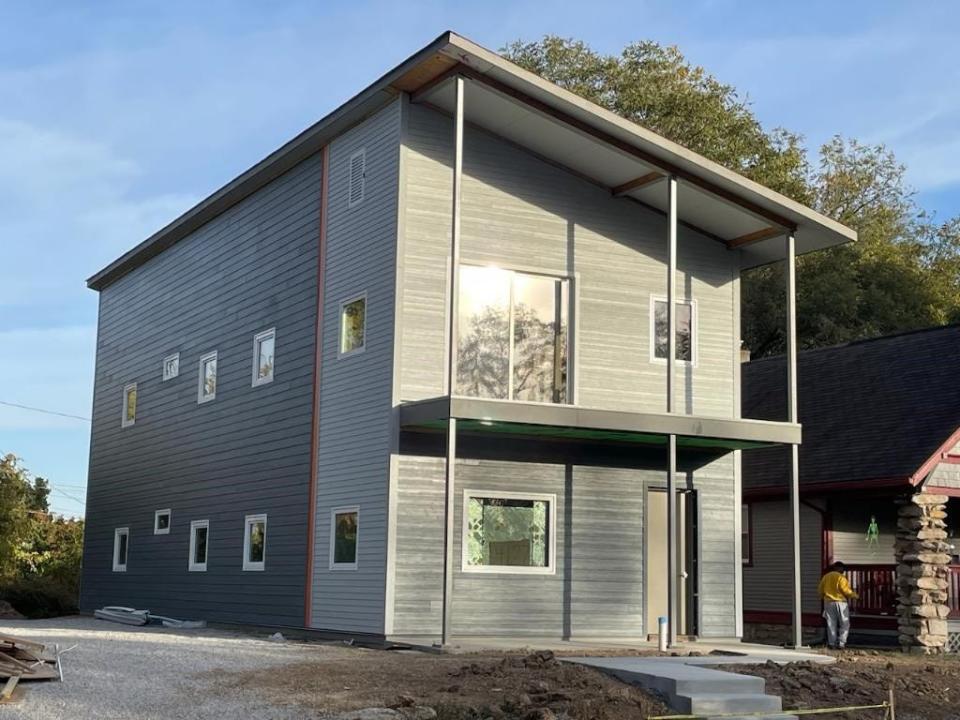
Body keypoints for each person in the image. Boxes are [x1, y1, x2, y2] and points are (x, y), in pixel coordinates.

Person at [818, 561, 859, 649]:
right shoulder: (841, 577)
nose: (843, 570)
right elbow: (845, 591)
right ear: (839, 568)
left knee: (831, 623)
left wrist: (823, 597)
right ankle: (841, 643)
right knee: (844, 623)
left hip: (828, 602)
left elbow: (820, 590)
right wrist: (855, 596)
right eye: (842, 568)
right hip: (841, 602)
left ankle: (831, 643)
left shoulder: (826, 577)